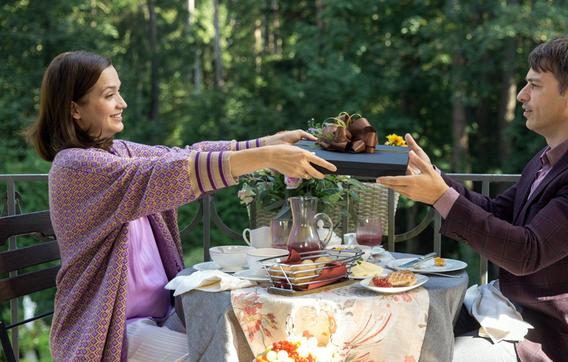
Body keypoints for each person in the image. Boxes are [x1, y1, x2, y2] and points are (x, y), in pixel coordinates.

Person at [24, 50, 336, 361]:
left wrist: (263, 144)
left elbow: (181, 155)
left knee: (254, 334)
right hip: (112, 333)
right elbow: (167, 174)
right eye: (110, 95)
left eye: (119, 91)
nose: (123, 103)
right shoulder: (75, 167)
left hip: (160, 317)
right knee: (234, 354)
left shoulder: (119, 151)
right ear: (75, 109)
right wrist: (266, 159)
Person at [377, 34, 568, 361]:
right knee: (403, 326)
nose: (524, 95)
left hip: (556, 336)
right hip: (514, 313)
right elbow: (496, 211)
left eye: (535, 85)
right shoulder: (551, 158)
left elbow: (526, 253)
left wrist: (441, 195)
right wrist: (433, 179)